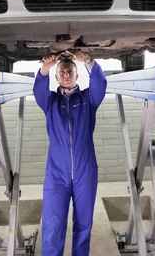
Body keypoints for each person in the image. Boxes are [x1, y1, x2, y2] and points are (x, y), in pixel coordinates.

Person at [33, 50, 107, 256]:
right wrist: (44, 69)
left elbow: (100, 84)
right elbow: (38, 90)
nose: (66, 74)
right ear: (57, 77)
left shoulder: (88, 100)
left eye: (70, 71)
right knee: (53, 224)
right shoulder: (50, 102)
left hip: (86, 172)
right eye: (62, 72)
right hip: (57, 174)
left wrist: (89, 61)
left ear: (77, 75)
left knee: (84, 224)